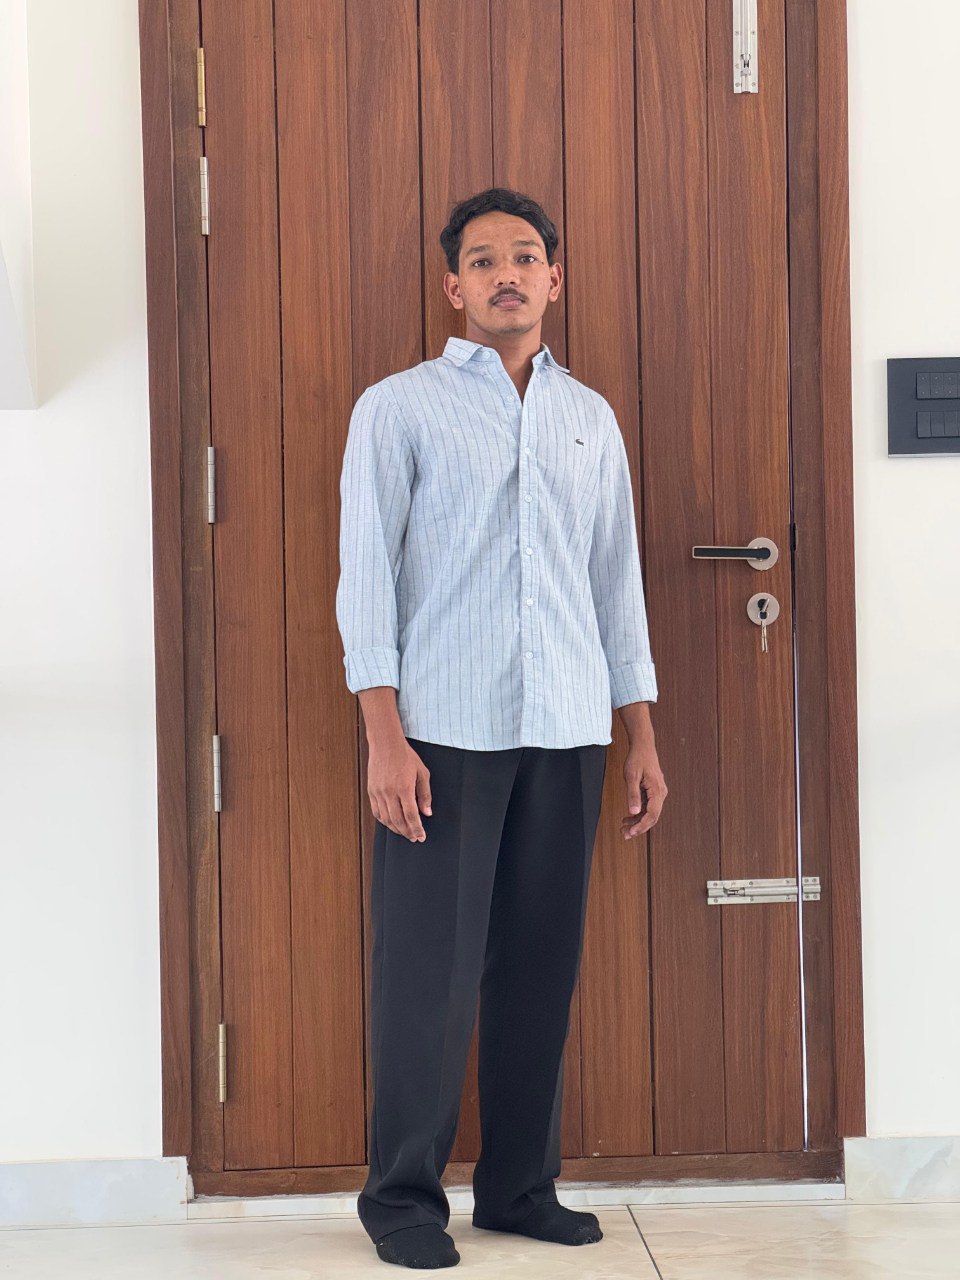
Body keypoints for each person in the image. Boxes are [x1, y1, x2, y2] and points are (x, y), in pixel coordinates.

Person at [335, 186, 667, 1270]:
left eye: (525, 257)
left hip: (568, 728)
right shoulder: (399, 408)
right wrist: (384, 735)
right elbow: (365, 578)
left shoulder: (590, 418)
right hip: (442, 734)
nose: (506, 274)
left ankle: (521, 1188)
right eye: (483, 261)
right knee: (426, 976)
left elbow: (616, 581)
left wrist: (639, 734)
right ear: (455, 287)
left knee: (539, 969)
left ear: (553, 278)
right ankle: (401, 1200)